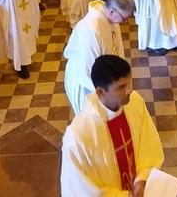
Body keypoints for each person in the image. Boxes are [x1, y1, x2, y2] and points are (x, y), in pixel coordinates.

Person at [60, 55, 164, 196]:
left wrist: (142, 178)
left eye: (129, 83)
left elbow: (148, 145)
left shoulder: (135, 103)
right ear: (100, 92)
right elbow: (80, 189)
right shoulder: (78, 136)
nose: (129, 91)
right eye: (121, 87)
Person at [63, 0, 134, 115]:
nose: (125, 22)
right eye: (124, 18)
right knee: (92, 124)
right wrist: (108, 96)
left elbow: (117, 51)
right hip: (86, 85)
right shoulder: (90, 30)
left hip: (107, 83)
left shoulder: (111, 18)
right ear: (112, 11)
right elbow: (87, 71)